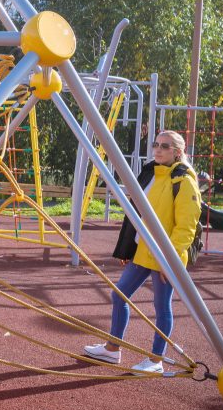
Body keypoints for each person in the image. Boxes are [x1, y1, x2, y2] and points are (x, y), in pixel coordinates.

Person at [83, 129, 202, 373]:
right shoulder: (150, 173)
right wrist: (128, 247)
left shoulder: (184, 181)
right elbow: (135, 215)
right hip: (143, 251)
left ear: (178, 152)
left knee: (161, 307)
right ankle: (112, 349)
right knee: (119, 295)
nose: (158, 149)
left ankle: (156, 360)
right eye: (156, 144)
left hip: (165, 257)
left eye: (165, 146)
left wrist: (172, 262)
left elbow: (186, 228)